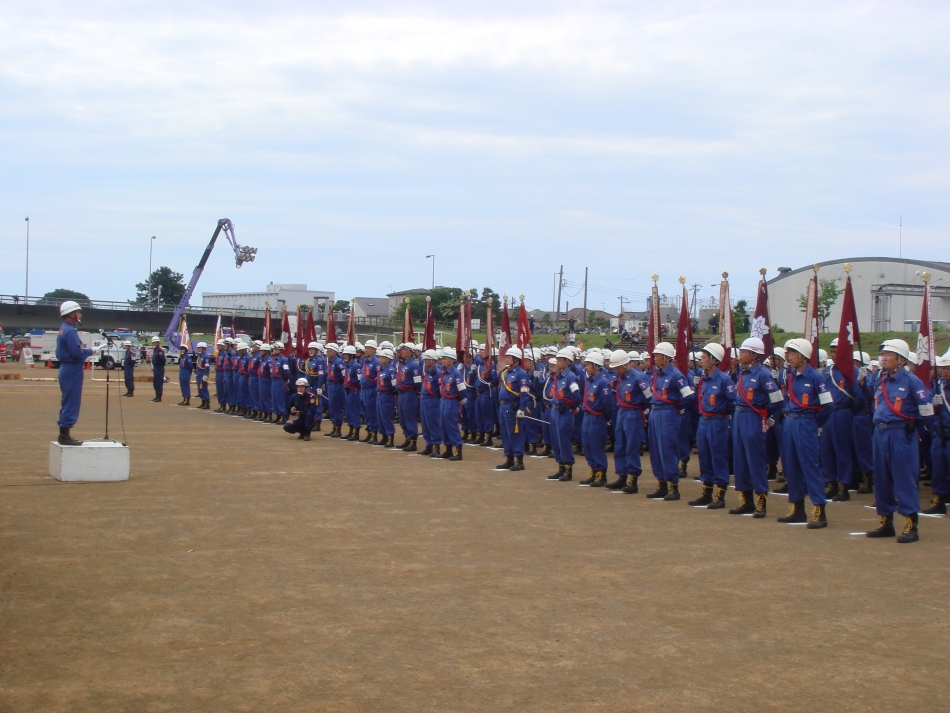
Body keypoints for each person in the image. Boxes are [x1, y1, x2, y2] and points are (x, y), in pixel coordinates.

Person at [866, 339, 934, 543]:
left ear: (901, 360)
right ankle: (886, 522)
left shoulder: (912, 381)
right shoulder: (880, 380)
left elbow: (926, 411)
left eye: (888, 355)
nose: (883, 358)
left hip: (901, 434)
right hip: (880, 433)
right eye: (883, 355)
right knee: (882, 478)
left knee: (904, 478)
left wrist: (915, 428)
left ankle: (910, 524)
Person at [778, 339, 834, 528]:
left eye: (792, 353)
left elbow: (827, 405)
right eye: (788, 353)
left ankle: (819, 510)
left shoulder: (815, 377)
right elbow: (786, 399)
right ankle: (797, 508)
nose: (789, 357)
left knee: (810, 467)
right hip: (790, 422)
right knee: (790, 466)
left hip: (806, 423)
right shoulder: (790, 376)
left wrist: (813, 422)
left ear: (803, 356)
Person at [730, 337, 783, 518]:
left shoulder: (763, 374)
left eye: (744, 352)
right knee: (740, 459)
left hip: (753, 417)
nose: (740, 354)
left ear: (754, 355)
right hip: (739, 416)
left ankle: (761, 500)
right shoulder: (743, 373)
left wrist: (765, 413)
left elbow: (776, 398)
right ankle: (746, 500)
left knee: (755, 459)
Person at [688, 343, 736, 509]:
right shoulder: (704, 379)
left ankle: (720, 495)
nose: (700, 361)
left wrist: (721, 414)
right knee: (705, 457)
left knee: (718, 457)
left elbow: (732, 402)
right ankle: (706, 493)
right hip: (704, 420)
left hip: (718, 421)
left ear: (714, 360)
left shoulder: (724, 379)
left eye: (703, 358)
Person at [645, 342, 695, 501]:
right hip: (655, 413)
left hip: (668, 414)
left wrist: (677, 406)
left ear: (666, 358)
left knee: (667, 449)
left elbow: (688, 396)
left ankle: (673, 486)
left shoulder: (676, 375)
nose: (655, 359)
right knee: (655, 450)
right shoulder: (657, 374)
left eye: (658, 356)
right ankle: (661, 484)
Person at [605, 349, 651, 494]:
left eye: (617, 367)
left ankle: (633, 478)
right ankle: (622, 475)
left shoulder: (639, 377)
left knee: (631, 446)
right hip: (622, 412)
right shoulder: (621, 378)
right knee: (620, 445)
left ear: (625, 365)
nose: (615, 370)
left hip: (633, 413)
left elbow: (649, 397)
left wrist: (644, 413)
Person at [55, 301, 93, 445]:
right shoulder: (70, 331)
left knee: (68, 400)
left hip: (67, 368)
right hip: (72, 369)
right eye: (78, 312)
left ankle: (65, 433)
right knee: (72, 401)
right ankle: (65, 435)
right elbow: (76, 352)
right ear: (71, 314)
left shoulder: (64, 329)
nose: (80, 315)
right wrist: (90, 351)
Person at [547, 349, 582, 481]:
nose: (557, 362)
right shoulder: (559, 376)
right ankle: (561, 466)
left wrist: (571, 407)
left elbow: (576, 396)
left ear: (567, 362)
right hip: (555, 410)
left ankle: (568, 469)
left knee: (564, 440)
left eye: (560, 360)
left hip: (564, 412)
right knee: (556, 439)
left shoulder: (570, 377)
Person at [578, 351, 612, 487]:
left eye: (588, 365)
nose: (586, 368)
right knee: (587, 446)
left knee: (596, 446)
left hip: (597, 418)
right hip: (587, 417)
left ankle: (601, 473)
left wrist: (606, 418)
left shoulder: (603, 382)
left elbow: (608, 404)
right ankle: (593, 469)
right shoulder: (589, 381)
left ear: (596, 366)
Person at [496, 346, 532, 471]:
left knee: (515, 434)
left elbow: (524, 392)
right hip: (503, 406)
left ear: (516, 360)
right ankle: (509, 458)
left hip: (513, 406)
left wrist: (522, 408)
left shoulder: (521, 374)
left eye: (509, 357)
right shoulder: (505, 372)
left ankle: (519, 460)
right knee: (505, 433)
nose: (506, 359)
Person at [923, 352, 950, 514]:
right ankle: (939, 500)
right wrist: (933, 403)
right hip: (940, 434)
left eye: (947, 368)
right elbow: (927, 406)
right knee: (939, 469)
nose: (944, 371)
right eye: (943, 368)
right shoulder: (938, 386)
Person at [438, 346, 467, 460]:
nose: (443, 361)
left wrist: (461, 400)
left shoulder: (456, 373)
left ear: (451, 360)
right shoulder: (445, 372)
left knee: (451, 425)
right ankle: (448, 448)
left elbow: (462, 389)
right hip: (444, 400)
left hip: (452, 401)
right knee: (444, 425)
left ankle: (458, 450)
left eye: (445, 358)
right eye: (442, 358)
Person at [395, 342, 422, 451]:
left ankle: (413, 441)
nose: (402, 352)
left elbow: (418, 383)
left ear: (411, 352)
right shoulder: (403, 364)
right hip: (401, 394)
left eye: (405, 350)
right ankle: (407, 438)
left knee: (409, 417)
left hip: (409, 394)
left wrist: (415, 392)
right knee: (402, 418)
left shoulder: (413, 365)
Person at [419, 348, 443, 456]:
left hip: (432, 400)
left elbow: (440, 388)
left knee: (433, 423)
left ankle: (436, 446)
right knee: (425, 424)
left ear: (432, 360)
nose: (425, 362)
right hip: (424, 399)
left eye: (426, 360)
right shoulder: (428, 372)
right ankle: (428, 445)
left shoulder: (437, 372)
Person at [374, 348, 398, 448]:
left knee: (386, 417)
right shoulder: (381, 369)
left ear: (388, 359)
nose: (380, 359)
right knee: (380, 417)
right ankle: (383, 436)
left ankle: (390, 438)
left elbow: (394, 385)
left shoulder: (391, 370)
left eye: (383, 357)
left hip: (387, 395)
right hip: (379, 395)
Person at [360, 340, 380, 443]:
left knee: (372, 412)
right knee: (366, 412)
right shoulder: (365, 361)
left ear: (373, 350)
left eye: (368, 348)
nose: (366, 350)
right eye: (365, 348)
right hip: (364, 390)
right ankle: (369, 431)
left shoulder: (376, 362)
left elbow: (378, 377)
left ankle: (374, 433)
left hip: (371, 390)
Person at [324, 343, 345, 437]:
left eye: (329, 351)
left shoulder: (338, 361)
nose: (327, 353)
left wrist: (341, 383)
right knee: (331, 407)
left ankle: (338, 428)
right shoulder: (331, 361)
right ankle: (334, 426)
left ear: (334, 351)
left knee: (336, 407)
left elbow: (344, 374)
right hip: (330, 385)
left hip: (336, 386)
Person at [342, 344, 362, 440]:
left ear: (351, 355)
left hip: (354, 391)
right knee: (348, 410)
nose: (344, 356)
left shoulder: (355, 365)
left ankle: (356, 431)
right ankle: (351, 429)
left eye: (346, 354)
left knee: (354, 411)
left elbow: (359, 379)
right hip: (348, 390)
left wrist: (353, 385)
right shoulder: (348, 365)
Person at [195, 342, 211, 409]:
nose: (198, 349)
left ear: (203, 348)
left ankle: (207, 403)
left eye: (199, 348)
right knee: (200, 389)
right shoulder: (200, 356)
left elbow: (207, 367)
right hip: (199, 373)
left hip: (203, 373)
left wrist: (206, 375)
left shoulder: (206, 356)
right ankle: (203, 402)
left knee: (203, 388)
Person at [177, 340, 194, 406]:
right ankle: (184, 398)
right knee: (182, 386)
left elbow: (190, 366)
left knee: (186, 386)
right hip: (181, 372)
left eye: (183, 349)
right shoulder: (182, 357)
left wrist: (188, 373)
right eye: (181, 349)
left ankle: (187, 399)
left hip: (186, 372)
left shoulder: (187, 357)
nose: (182, 350)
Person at [150, 337, 166, 402]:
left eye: (154, 342)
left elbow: (163, 359)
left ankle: (159, 396)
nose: (153, 343)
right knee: (155, 383)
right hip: (156, 367)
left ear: (157, 342)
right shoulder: (156, 349)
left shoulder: (160, 350)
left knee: (159, 382)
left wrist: (160, 365)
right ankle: (157, 395)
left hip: (159, 367)